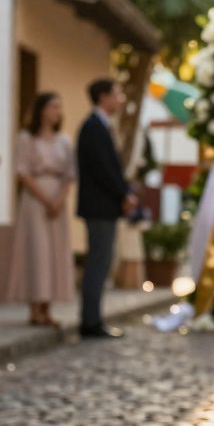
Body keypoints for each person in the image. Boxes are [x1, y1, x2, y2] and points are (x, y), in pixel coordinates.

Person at [7, 93, 76, 326]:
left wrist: (59, 199)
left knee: (54, 252)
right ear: (41, 110)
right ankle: (34, 307)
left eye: (59, 107)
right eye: (53, 106)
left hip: (57, 200)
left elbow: (70, 173)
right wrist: (46, 199)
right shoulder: (27, 138)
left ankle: (48, 308)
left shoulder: (64, 140)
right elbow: (22, 172)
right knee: (37, 251)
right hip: (35, 200)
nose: (57, 111)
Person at [76, 78, 136, 339]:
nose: (121, 98)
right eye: (117, 93)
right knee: (99, 262)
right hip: (99, 207)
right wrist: (123, 193)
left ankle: (94, 317)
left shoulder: (102, 126)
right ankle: (90, 320)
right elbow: (103, 169)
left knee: (102, 262)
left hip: (104, 207)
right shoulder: (93, 127)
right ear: (103, 97)